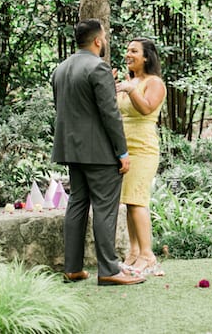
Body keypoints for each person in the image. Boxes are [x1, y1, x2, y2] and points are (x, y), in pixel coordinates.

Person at [52, 19, 144, 286]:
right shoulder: (98, 68)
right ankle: (108, 270)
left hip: (71, 149)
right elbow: (109, 114)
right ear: (97, 40)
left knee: (77, 204)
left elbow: (71, 108)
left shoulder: (60, 69)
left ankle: (72, 268)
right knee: (105, 207)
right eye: (104, 37)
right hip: (99, 152)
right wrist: (122, 151)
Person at [114, 37, 167, 277]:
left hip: (143, 148)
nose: (128, 54)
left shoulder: (154, 82)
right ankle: (133, 252)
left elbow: (145, 108)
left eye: (134, 51)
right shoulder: (130, 81)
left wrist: (131, 89)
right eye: (127, 50)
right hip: (124, 149)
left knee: (137, 201)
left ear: (146, 57)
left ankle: (148, 254)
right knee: (129, 202)